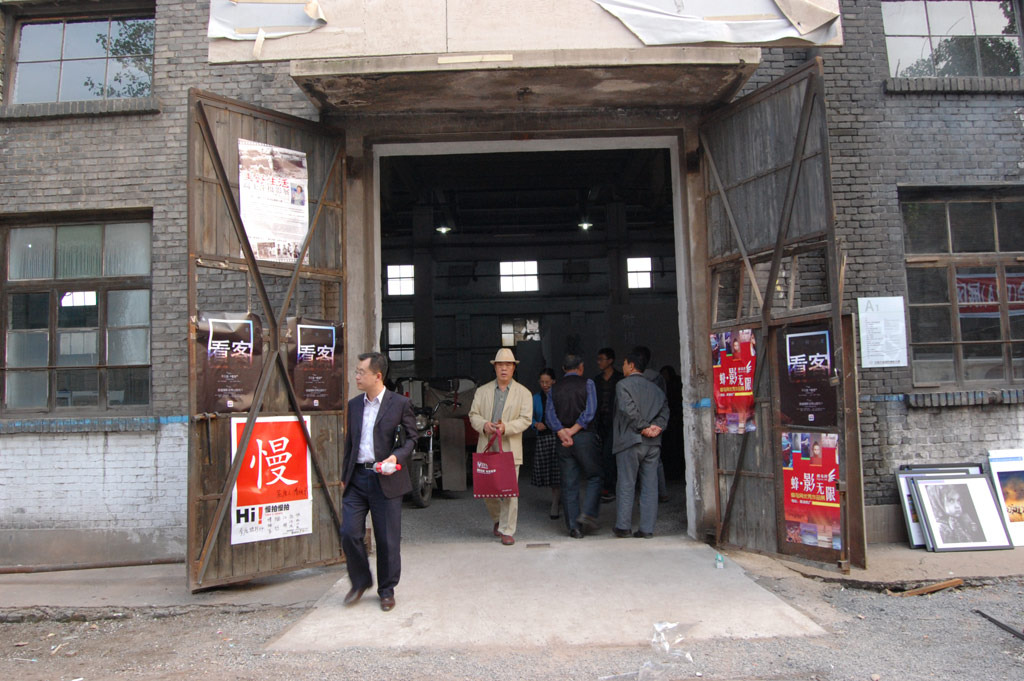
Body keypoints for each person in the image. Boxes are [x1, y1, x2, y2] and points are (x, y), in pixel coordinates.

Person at [340, 352, 418, 612]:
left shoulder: (399, 404)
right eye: (356, 371)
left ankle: (387, 589)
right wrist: (344, 477)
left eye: (361, 372)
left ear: (378, 375)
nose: (357, 376)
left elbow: (412, 439)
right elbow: (350, 444)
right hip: (357, 478)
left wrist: (396, 457)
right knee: (349, 532)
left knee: (387, 540)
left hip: (386, 478)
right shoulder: (354, 405)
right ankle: (361, 581)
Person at [468, 348, 534, 546]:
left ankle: (507, 529)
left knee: (509, 491)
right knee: (488, 490)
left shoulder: (524, 393)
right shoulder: (483, 391)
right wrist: (484, 425)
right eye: (500, 365)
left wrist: (506, 428)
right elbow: (473, 415)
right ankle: (498, 518)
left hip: (510, 448)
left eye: (508, 365)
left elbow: (526, 420)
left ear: (514, 368)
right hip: (487, 447)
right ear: (495, 368)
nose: (504, 368)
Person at [612, 347, 669, 539]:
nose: (623, 367)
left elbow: (627, 409)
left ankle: (623, 526)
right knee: (650, 486)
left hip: (630, 441)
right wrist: (657, 427)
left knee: (627, 483)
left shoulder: (622, 385)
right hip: (653, 443)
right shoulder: (656, 388)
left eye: (624, 363)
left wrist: (643, 427)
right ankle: (646, 529)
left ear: (631, 365)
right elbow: (665, 411)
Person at [545, 354, 601, 538]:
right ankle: (588, 513)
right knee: (594, 476)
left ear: (563, 369)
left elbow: (550, 416)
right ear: (581, 367)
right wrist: (574, 430)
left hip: (563, 441)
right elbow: (590, 411)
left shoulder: (554, 388)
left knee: (569, 484)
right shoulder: (588, 384)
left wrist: (562, 432)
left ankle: (574, 528)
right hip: (584, 437)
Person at [635, 346, 669, 502]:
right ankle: (662, 492)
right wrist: (657, 424)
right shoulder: (657, 377)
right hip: (654, 424)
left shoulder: (630, 380)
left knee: (634, 462)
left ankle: (644, 494)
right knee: (656, 461)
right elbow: (663, 400)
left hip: (637, 424)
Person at [593, 347, 623, 503]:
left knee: (609, 455)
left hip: (616, 421)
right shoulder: (596, 380)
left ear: (610, 361)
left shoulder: (620, 378)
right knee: (601, 455)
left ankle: (610, 486)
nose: (598, 362)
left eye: (601, 359)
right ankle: (607, 485)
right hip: (601, 422)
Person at [530, 368, 561, 519]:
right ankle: (556, 497)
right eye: (542, 382)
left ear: (554, 381)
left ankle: (555, 503)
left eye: (547, 382)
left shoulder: (560, 396)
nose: (545, 385)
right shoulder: (535, 398)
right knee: (546, 471)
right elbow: (528, 416)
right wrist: (535, 424)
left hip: (558, 437)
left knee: (556, 471)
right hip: (543, 437)